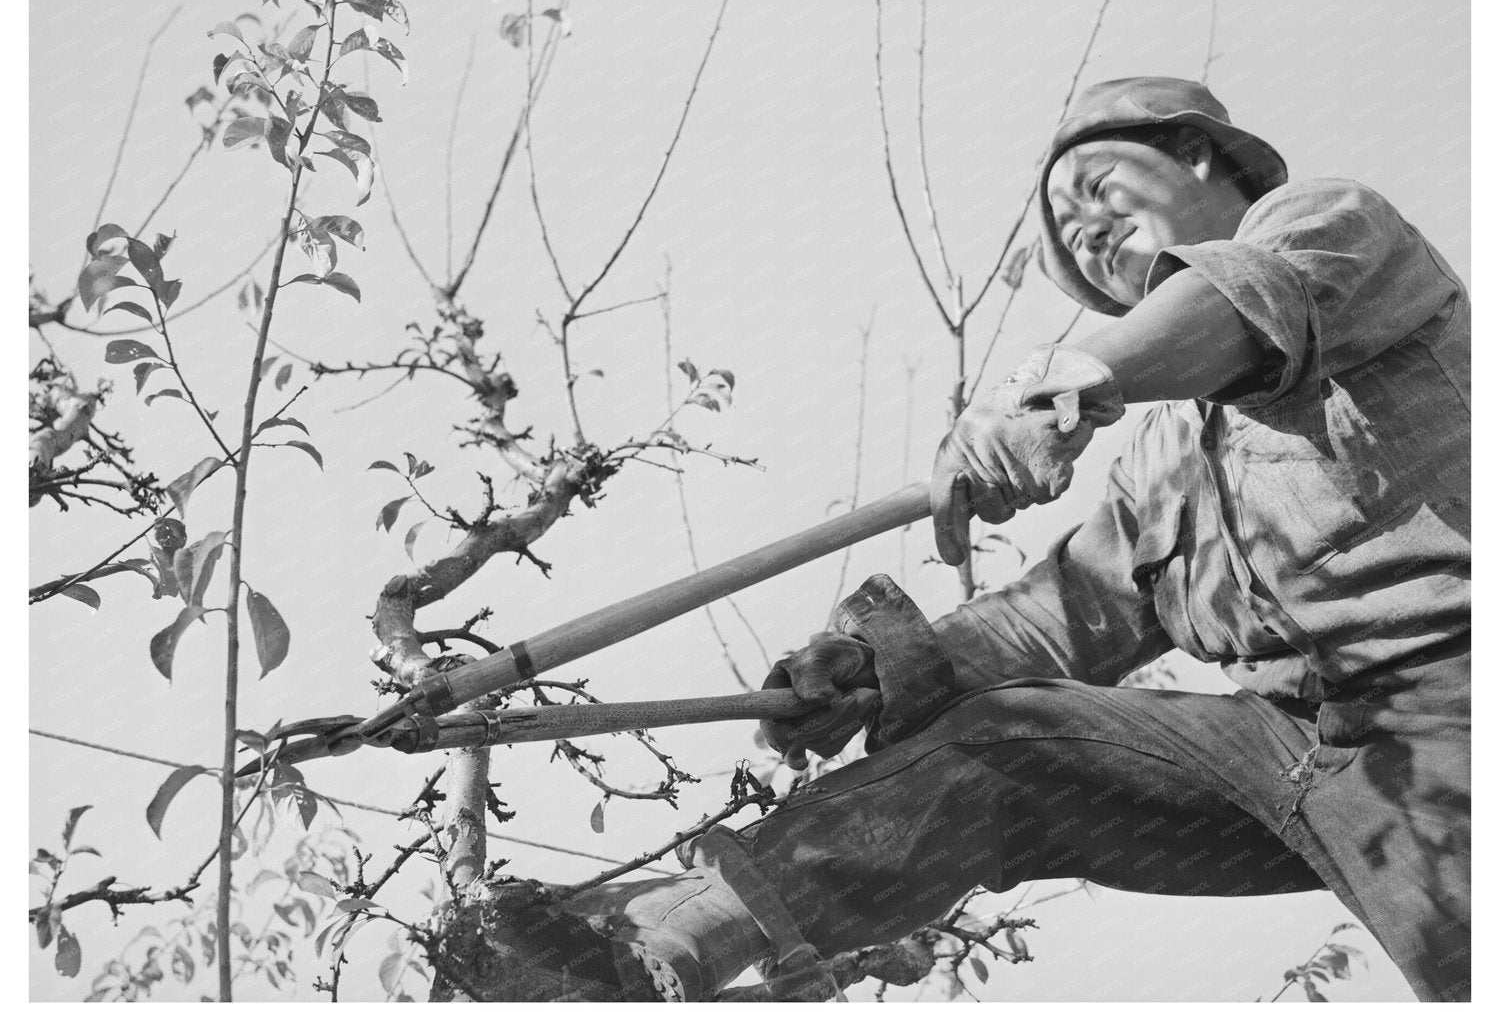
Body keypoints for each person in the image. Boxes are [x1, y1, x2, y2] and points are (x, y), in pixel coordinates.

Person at [467, 77, 1470, 1003]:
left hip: (1462, 717)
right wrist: (878, 665)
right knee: (998, 748)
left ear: (1202, 155)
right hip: (1305, 762)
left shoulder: (1334, 225)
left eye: (1096, 187)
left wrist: (1068, 382)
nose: (1085, 233)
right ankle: (656, 953)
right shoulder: (1162, 463)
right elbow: (1057, 618)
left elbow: (1242, 302)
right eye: (1068, 238)